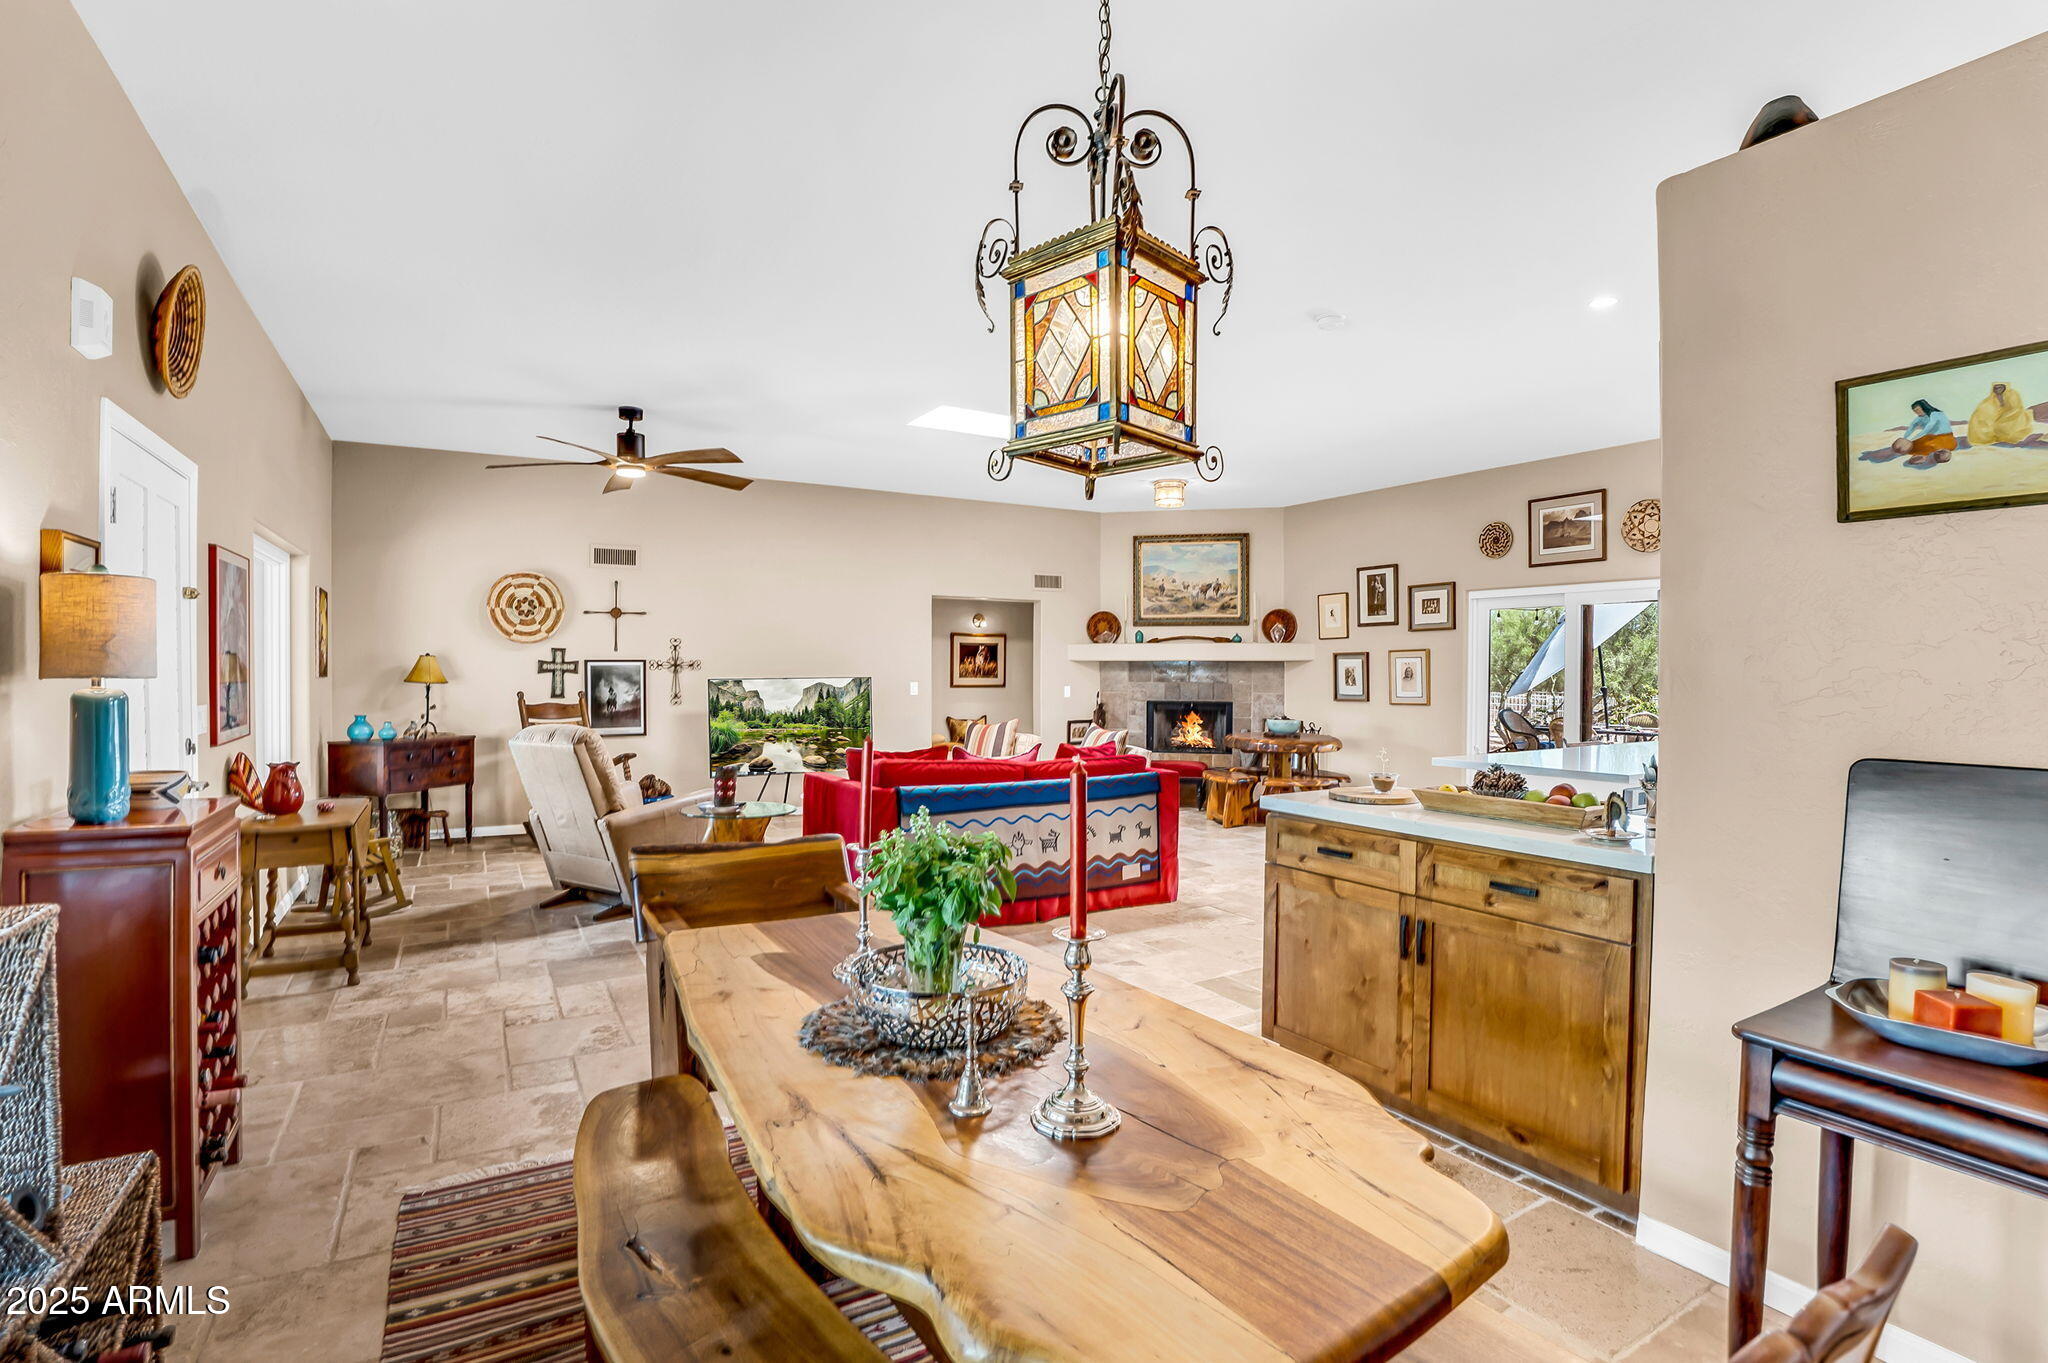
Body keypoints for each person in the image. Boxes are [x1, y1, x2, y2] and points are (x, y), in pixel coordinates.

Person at [1892, 399, 1955, 467]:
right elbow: (1912, 426)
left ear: (1924, 407)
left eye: (1918, 410)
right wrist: (1905, 438)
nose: (1917, 413)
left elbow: (1927, 429)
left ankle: (1925, 456)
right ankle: (1922, 456)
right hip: (1930, 437)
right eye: (1915, 411)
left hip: (1945, 437)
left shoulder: (1935, 414)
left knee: (1927, 445)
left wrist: (1910, 440)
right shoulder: (1921, 417)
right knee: (1915, 445)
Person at [1967, 381, 2032, 446]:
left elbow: (2016, 409)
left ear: (2005, 388)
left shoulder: (2013, 394)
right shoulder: (1990, 399)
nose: (1998, 389)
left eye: (2000, 387)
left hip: (2014, 418)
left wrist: (2003, 418)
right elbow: (1984, 411)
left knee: (2004, 426)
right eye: (1996, 388)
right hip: (1998, 419)